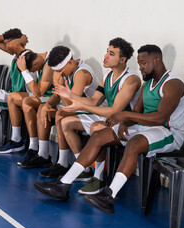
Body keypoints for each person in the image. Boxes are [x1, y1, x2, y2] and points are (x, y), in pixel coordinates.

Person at [34, 44, 184, 215]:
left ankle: (109, 196)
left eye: (143, 63)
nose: (141, 67)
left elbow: (160, 118)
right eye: (139, 63)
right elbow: (136, 112)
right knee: (100, 135)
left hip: (169, 132)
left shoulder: (173, 83)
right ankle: (64, 185)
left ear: (157, 60)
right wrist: (124, 123)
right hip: (146, 128)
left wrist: (124, 116)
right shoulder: (148, 84)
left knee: (134, 144)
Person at [41, 37, 141, 194]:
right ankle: (84, 169)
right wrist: (71, 96)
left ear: (122, 59)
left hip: (128, 123)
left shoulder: (131, 79)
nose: (106, 56)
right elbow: (94, 101)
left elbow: (115, 110)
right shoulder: (107, 75)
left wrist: (79, 105)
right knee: (66, 122)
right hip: (111, 119)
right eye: (107, 51)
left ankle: (99, 178)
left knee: (96, 128)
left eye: (111, 54)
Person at [19, 45, 99, 170]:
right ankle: (43, 155)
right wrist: (47, 105)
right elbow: (57, 97)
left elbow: (71, 105)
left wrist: (57, 83)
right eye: (58, 71)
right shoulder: (68, 70)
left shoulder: (81, 73)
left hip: (95, 111)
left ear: (70, 62)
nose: (60, 73)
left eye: (61, 70)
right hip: (82, 108)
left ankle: (66, 163)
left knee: (60, 114)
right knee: (42, 109)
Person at [0, 49, 54, 154]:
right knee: (12, 97)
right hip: (44, 97)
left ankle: (33, 146)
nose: (32, 72)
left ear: (35, 63)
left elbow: (38, 92)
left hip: (53, 99)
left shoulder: (49, 64)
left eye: (32, 70)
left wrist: (24, 71)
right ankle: (16, 139)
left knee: (27, 101)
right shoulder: (37, 57)